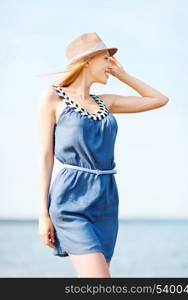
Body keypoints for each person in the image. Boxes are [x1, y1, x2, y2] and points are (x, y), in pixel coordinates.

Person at [37, 32, 169, 278]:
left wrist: (123, 74)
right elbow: (46, 157)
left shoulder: (106, 103)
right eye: (106, 59)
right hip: (71, 199)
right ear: (87, 60)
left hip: (106, 198)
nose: (111, 65)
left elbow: (159, 99)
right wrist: (43, 214)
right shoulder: (53, 98)